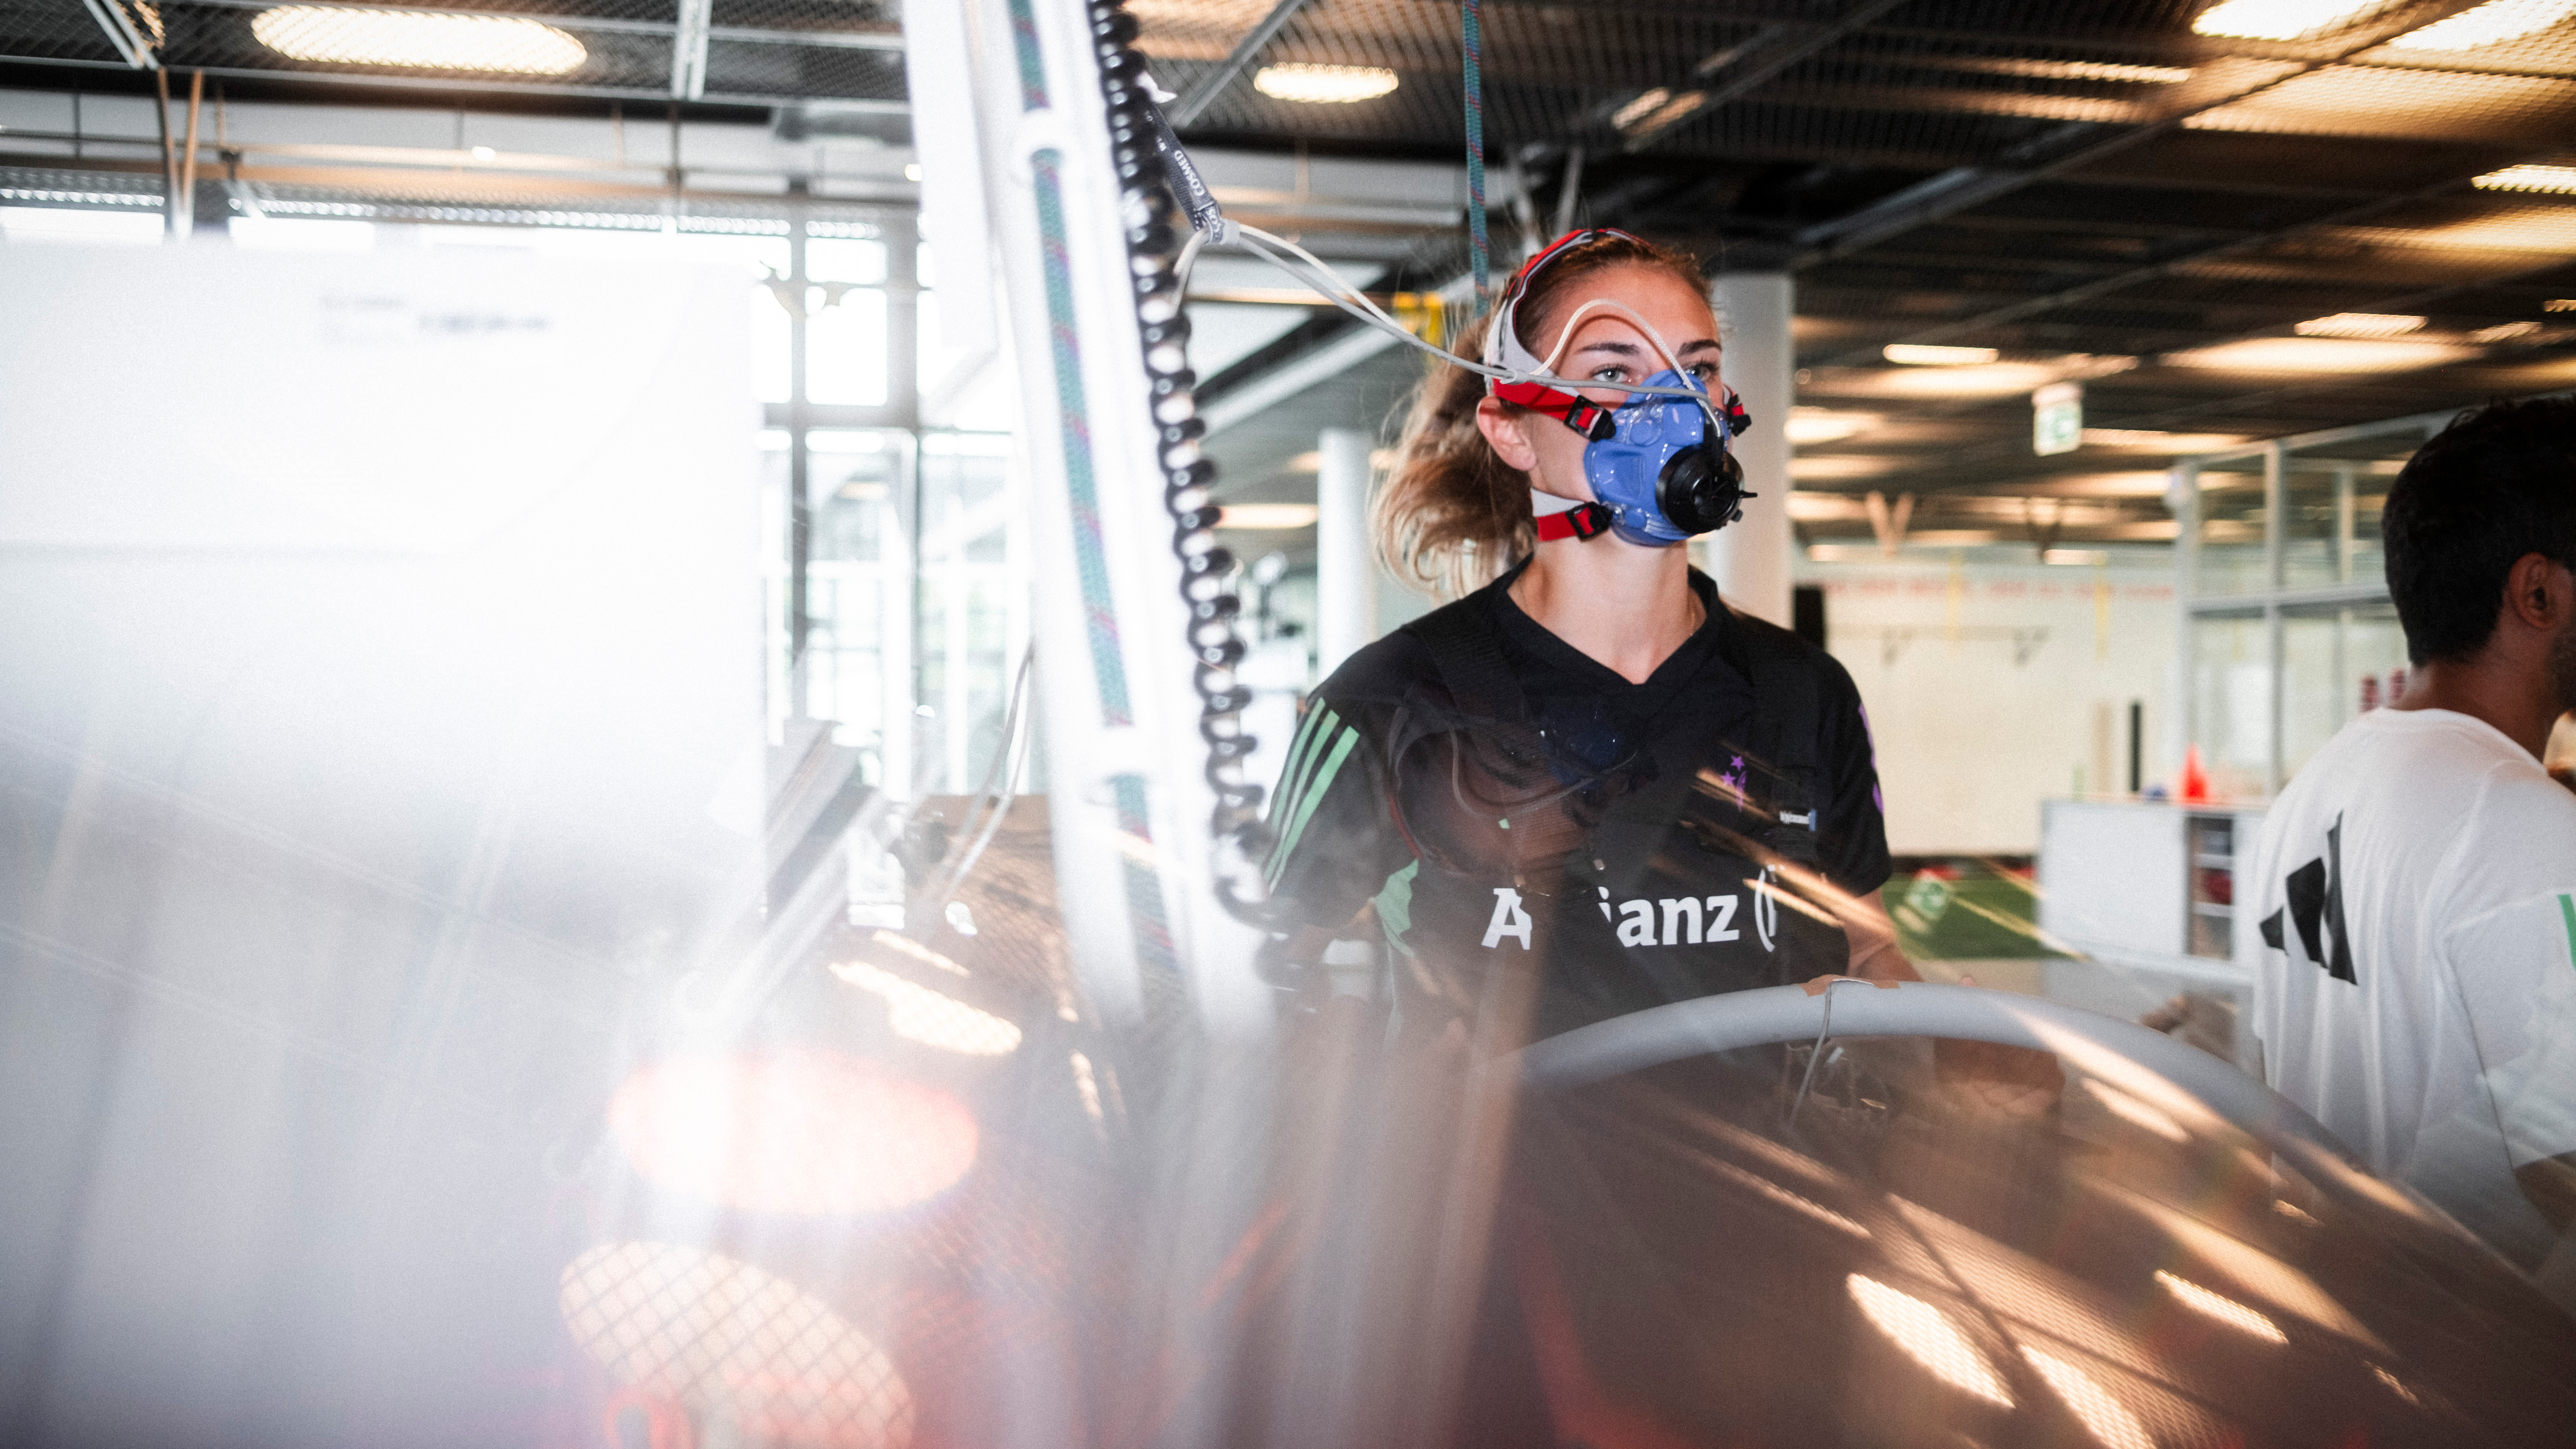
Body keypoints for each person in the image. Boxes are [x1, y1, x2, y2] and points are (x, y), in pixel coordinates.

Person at [1257, 230, 1914, 1048]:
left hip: (1761, 1175)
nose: (1675, 408)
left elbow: (1870, 943)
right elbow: (1261, 977)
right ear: (1512, 432)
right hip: (1501, 1178)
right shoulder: (1390, 702)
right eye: (1612, 374)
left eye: (1696, 369)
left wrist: (1954, 1049)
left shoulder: (1802, 690)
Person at [2240, 397, 2576, 1276]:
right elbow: (2562, 1170)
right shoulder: (2525, 832)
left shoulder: (2313, 791)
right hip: (2490, 1373)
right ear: (2538, 592)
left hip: (2351, 1341)